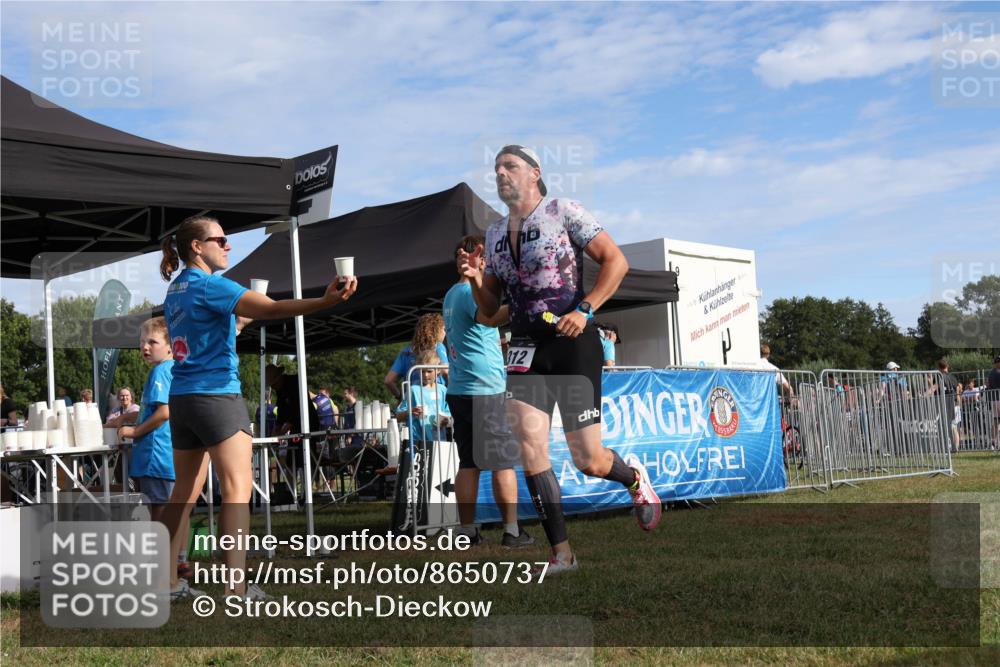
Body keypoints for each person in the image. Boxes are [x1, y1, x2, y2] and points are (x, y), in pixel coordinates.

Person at [459, 144, 661, 575]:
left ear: (535, 173)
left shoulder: (563, 211)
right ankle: (562, 554)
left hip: (572, 341)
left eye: (510, 166)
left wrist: (585, 309)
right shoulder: (494, 233)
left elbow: (616, 261)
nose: (500, 173)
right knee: (530, 446)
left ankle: (633, 478)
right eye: (496, 168)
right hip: (524, 347)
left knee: (588, 459)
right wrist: (476, 280)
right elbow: (490, 310)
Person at [158, 214, 357, 601]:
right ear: (197, 247)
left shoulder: (177, 290)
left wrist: (239, 324)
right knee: (236, 490)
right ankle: (236, 587)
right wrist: (325, 301)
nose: (228, 246)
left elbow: (209, 332)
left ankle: (165, 582)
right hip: (217, 396)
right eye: (221, 240)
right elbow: (272, 308)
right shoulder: (211, 285)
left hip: (183, 398)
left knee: (182, 493)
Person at [444, 234, 532, 548]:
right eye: (488, 257)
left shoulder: (451, 293)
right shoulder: (469, 292)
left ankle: (467, 530)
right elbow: (491, 317)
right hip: (484, 389)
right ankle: (512, 531)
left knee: (469, 463)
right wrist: (526, 303)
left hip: (461, 388)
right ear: (479, 260)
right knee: (502, 462)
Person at [116, 318, 191, 578]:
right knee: (178, 507)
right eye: (141, 342)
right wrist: (129, 417)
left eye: (152, 342)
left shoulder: (159, 372)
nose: (145, 347)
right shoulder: (174, 369)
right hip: (170, 451)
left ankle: (162, 560)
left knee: (159, 507)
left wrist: (134, 431)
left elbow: (164, 412)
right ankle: (180, 559)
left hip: (155, 454)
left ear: (169, 346)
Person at [384, 313, 448, 400]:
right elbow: (446, 372)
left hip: (412, 401)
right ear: (436, 330)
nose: (445, 333)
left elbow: (388, 380)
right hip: (435, 400)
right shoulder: (438, 347)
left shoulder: (406, 352)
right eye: (443, 329)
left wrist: (400, 397)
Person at [394, 350, 452, 442]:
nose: (425, 375)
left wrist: (446, 421)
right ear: (417, 370)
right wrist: (411, 411)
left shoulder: (442, 390)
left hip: (439, 442)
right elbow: (398, 416)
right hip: (418, 441)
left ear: (438, 370)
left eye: (429, 371)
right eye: (422, 371)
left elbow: (449, 414)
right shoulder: (413, 390)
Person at [265, 365, 322, 436]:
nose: (273, 387)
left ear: (279, 378)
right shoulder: (280, 389)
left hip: (309, 424)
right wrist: (277, 427)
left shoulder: (295, 384)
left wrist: (281, 432)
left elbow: (297, 410)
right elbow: (281, 410)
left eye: (273, 384)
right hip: (295, 425)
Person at [934, 358, 960, 453]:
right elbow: (957, 391)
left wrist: (923, 394)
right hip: (955, 404)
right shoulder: (952, 377)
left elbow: (934, 388)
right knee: (954, 427)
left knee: (946, 427)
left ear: (938, 367)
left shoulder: (939, 376)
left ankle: (949, 448)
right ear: (947, 366)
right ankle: (955, 448)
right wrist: (958, 404)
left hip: (945, 404)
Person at [988, 356, 1000, 449]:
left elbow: (988, 385)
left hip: (993, 399)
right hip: (998, 398)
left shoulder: (991, 373)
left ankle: (993, 443)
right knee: (996, 422)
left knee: (996, 421)